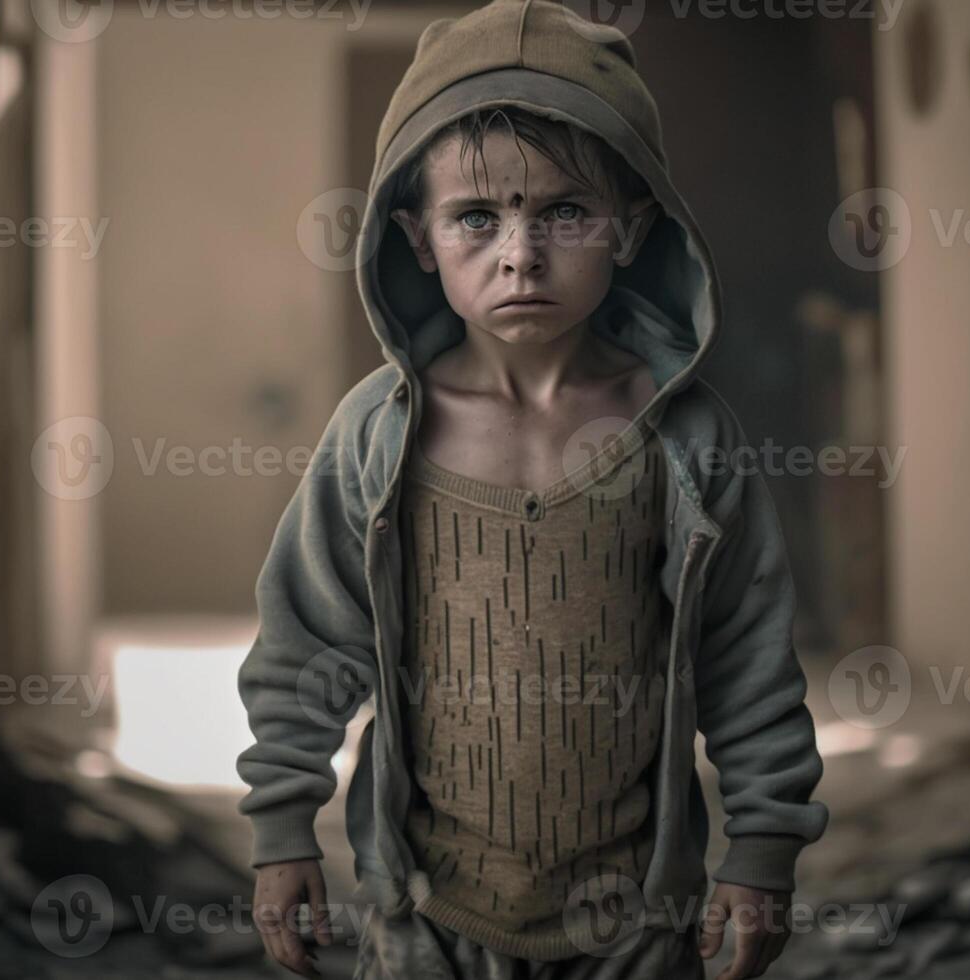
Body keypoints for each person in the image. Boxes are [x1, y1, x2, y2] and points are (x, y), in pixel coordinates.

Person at [238, 2, 829, 977]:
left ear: (634, 226)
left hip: (635, 916)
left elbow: (747, 655)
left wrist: (762, 850)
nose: (520, 253)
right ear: (416, 238)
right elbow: (307, 640)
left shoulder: (680, 438)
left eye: (563, 211)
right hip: (427, 914)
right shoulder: (379, 437)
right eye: (476, 216)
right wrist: (281, 828)